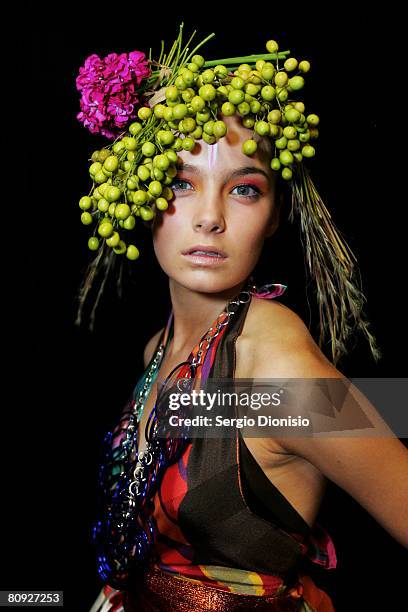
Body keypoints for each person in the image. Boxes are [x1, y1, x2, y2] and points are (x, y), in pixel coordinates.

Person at [76, 30, 408, 611]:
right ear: (137, 193)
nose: (209, 218)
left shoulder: (276, 360)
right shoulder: (161, 346)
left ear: (275, 212)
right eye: (182, 182)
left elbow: (360, 427)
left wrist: (334, 407)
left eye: (245, 190)